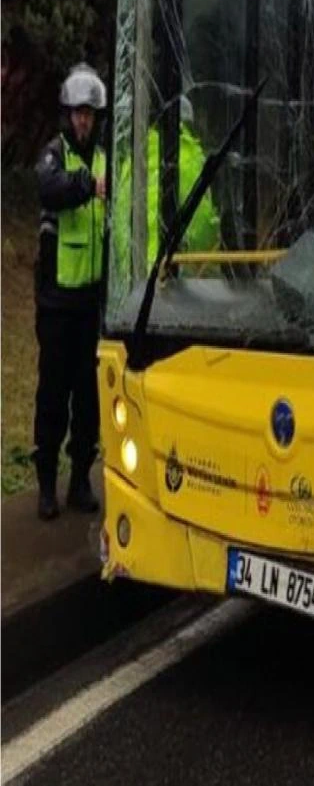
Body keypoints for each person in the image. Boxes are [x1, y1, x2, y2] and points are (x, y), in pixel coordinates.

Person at [32, 64, 107, 519]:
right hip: (57, 302)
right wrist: (87, 186)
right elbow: (49, 189)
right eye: (78, 113)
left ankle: (80, 479)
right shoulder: (55, 155)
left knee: (88, 399)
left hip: (90, 304)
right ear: (68, 114)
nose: (83, 120)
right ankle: (46, 483)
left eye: (90, 114)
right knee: (53, 396)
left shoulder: (103, 158)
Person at [112, 96, 220, 277]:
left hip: (138, 273)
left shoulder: (135, 156)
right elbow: (201, 221)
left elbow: (120, 220)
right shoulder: (188, 156)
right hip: (175, 270)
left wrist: (126, 266)